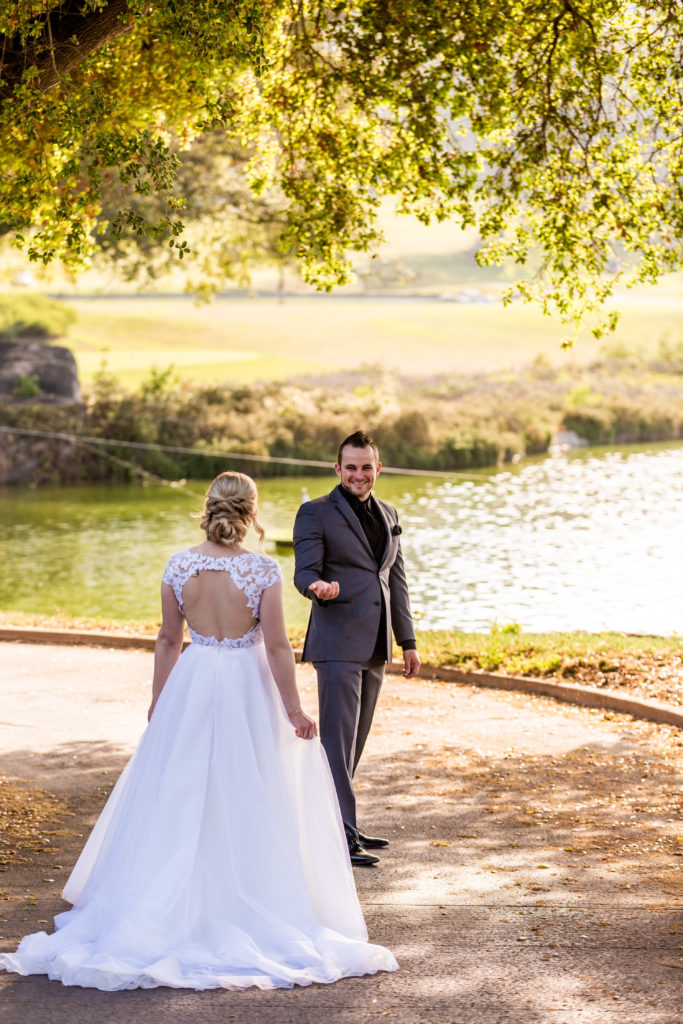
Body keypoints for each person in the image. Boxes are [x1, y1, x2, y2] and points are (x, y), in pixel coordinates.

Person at [0, 472, 397, 991]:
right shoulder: (262, 570)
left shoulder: (179, 564)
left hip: (193, 681)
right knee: (250, 788)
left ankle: (170, 899)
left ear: (208, 510)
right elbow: (277, 648)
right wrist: (295, 710)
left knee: (180, 790)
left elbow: (168, 639)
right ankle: (249, 888)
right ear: (251, 513)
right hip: (247, 686)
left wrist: (159, 700)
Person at [293, 431, 420, 868]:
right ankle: (341, 836)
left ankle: (342, 823)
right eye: (351, 467)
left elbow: (395, 581)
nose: (359, 474)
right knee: (336, 742)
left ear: (378, 468)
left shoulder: (388, 513)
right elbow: (303, 571)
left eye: (367, 467)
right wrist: (316, 588)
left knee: (354, 743)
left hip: (376, 643)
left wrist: (408, 641)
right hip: (336, 642)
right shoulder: (315, 513)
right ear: (337, 469)